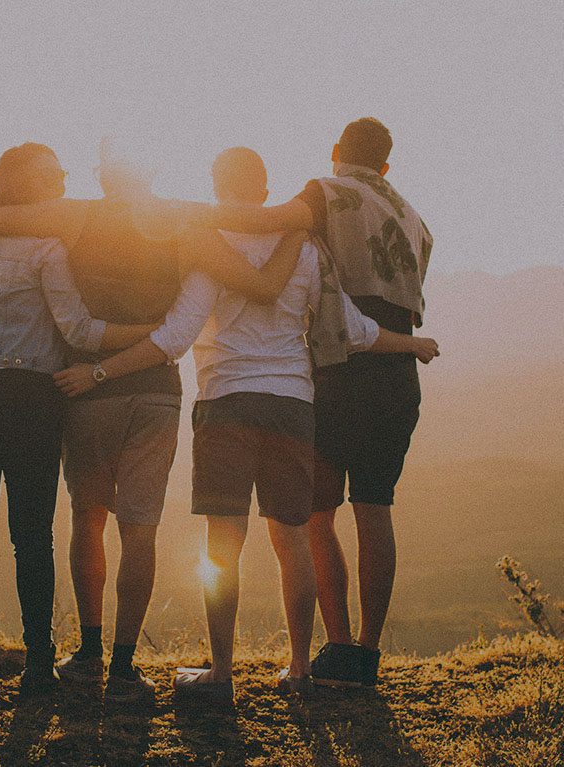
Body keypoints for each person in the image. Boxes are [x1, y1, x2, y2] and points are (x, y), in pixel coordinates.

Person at [53, 146, 438, 701]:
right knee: (293, 542)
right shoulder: (305, 249)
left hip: (226, 403)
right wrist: (413, 344)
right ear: (264, 191)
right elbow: (353, 329)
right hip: (293, 406)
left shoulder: (208, 246)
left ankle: (222, 674)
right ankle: (301, 668)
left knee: (222, 546)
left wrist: (100, 371)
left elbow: (176, 337)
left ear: (217, 186)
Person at [0, 141, 306, 703]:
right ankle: (125, 667)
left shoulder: (76, 215)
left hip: (86, 389)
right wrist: (299, 228)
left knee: (88, 518)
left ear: (103, 177)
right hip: (156, 392)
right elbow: (254, 280)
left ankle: (89, 651)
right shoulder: (183, 221)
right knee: (140, 528)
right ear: (150, 170)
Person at [186, 119, 434, 687]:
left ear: (336, 153)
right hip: (395, 372)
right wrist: (413, 344)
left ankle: (336, 646)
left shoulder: (326, 193)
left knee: (313, 517)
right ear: (387, 166)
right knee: (376, 508)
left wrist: (183, 216)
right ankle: (365, 655)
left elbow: (269, 222)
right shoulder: (416, 219)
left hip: (338, 368)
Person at [0, 142, 155, 696]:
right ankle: (39, 667)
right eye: (54, 174)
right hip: (29, 397)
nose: (63, 179)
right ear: (32, 187)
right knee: (31, 535)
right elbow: (80, 333)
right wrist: (151, 334)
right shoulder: (47, 248)